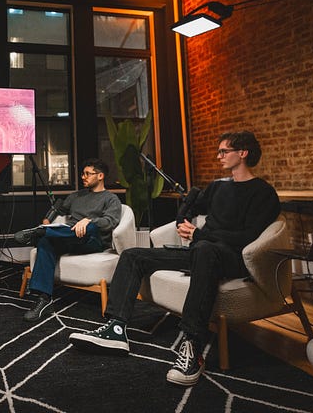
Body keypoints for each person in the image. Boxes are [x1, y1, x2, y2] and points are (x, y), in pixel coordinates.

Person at [69, 131, 281, 387]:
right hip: (199, 253)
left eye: (224, 151)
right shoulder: (218, 187)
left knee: (204, 249)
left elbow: (248, 237)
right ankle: (115, 328)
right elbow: (191, 208)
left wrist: (200, 234)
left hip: (231, 258)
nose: (218, 156)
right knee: (133, 255)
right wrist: (184, 218)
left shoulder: (263, 193)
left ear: (243, 153)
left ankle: (192, 345)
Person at [16, 158, 122, 322]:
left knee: (89, 227)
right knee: (46, 242)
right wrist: (47, 220)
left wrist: (89, 221)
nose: (83, 177)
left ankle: (40, 233)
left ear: (100, 176)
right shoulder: (76, 196)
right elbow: (58, 208)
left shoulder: (111, 199)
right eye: (83, 173)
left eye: (87, 174)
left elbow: (110, 222)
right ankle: (44, 299)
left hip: (91, 240)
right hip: (69, 237)